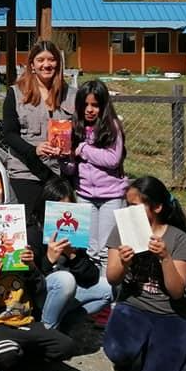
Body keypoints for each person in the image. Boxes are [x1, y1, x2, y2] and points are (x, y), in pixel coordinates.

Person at [104, 176, 186, 371]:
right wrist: (124, 262)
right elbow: (112, 278)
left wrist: (165, 258)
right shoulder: (122, 230)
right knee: (117, 350)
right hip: (132, 306)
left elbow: (177, 291)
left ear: (157, 207)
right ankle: (139, 350)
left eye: (134, 206)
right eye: (126, 205)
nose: (128, 211)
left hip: (168, 313)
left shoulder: (177, 238)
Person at [0, 239, 75, 371]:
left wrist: (31, 267)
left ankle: (21, 356)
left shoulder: (20, 262)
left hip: (26, 323)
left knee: (67, 346)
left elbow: (39, 288)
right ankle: (9, 361)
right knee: (7, 356)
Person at [27, 178, 113, 330]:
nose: (64, 215)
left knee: (108, 289)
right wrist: (48, 259)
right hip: (40, 296)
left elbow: (91, 277)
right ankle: (47, 330)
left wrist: (73, 256)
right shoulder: (33, 233)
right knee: (65, 280)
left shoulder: (74, 233)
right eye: (58, 209)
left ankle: (62, 324)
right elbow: (29, 283)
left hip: (66, 294)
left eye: (68, 208)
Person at [2, 40, 75, 218]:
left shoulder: (72, 95)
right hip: (26, 173)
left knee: (60, 231)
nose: (46, 65)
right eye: (40, 60)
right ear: (32, 65)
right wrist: (34, 149)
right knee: (27, 230)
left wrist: (69, 148)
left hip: (60, 175)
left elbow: (81, 131)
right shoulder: (16, 93)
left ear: (58, 63)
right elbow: (9, 134)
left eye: (51, 60)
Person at [64, 79, 128, 270]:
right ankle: (94, 291)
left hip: (111, 196)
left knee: (106, 250)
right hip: (84, 195)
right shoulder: (73, 129)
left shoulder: (112, 127)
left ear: (104, 106)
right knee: (90, 248)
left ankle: (108, 291)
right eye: (85, 105)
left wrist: (82, 149)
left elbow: (112, 159)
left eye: (95, 105)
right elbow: (69, 169)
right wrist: (66, 157)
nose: (90, 110)